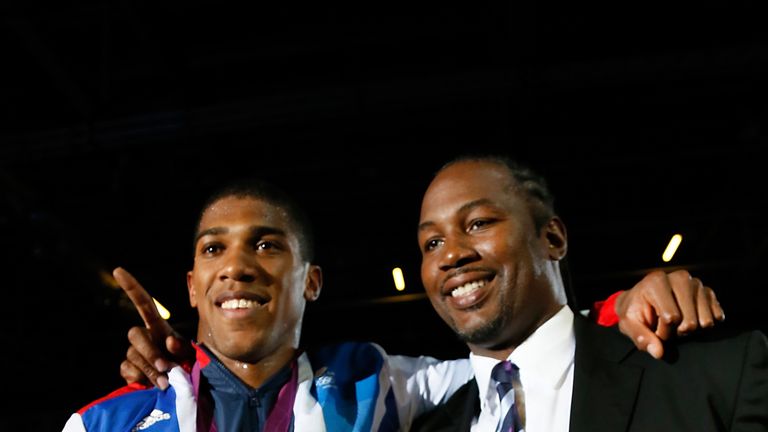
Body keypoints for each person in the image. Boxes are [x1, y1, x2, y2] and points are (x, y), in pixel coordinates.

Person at [64, 176, 725, 432]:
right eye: (213, 250)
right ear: (190, 286)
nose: (236, 266)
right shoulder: (103, 425)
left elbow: (533, 361)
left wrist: (625, 306)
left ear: (311, 282)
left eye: (266, 246)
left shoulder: (374, 382)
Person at [409, 155, 768, 431]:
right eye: (433, 242)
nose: (451, 255)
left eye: (478, 223)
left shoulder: (713, 374)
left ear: (553, 239)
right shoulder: (426, 426)